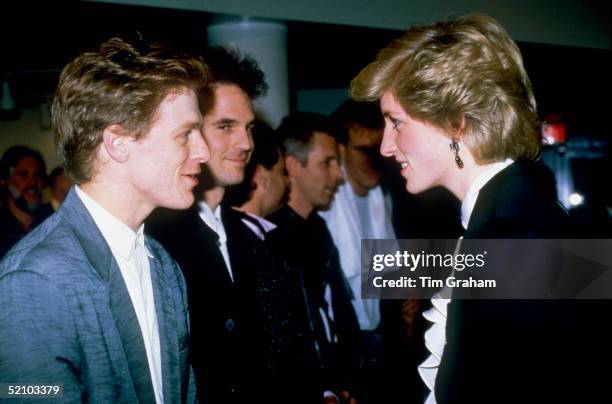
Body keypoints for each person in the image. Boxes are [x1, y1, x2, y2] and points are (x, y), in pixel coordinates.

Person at [350, 13, 588, 403]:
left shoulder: (509, 235)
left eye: (396, 123)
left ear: (455, 123)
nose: (386, 147)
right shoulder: (515, 213)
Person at [0, 37, 209, 403]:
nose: (203, 150)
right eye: (184, 134)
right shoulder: (34, 281)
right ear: (118, 143)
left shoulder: (162, 266)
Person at [148, 47, 315, 403]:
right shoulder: (154, 238)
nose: (246, 144)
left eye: (249, 128)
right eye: (225, 127)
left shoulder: (245, 233)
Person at [269, 111, 361, 403]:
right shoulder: (271, 238)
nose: (339, 175)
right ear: (293, 166)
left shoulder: (317, 227)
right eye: (327, 163)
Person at [0, 145, 53, 257]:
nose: (32, 183)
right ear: (5, 182)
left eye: (37, 175)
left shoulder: (52, 221)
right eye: (23, 175)